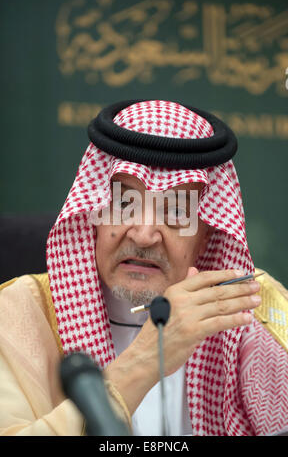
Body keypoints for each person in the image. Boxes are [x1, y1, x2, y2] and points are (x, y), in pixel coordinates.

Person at [0, 99, 287, 436]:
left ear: (208, 233)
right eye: (124, 204)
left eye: (176, 210)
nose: (144, 234)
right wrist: (146, 360)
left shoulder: (258, 310)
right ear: (93, 213)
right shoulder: (17, 314)